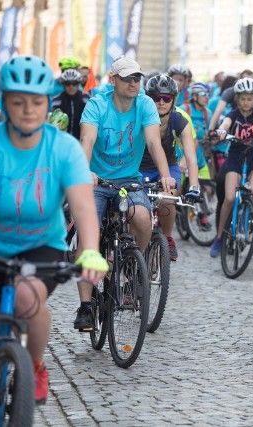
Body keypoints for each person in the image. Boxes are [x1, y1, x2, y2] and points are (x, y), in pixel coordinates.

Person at [0, 55, 107, 405]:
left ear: (48, 102)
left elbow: (84, 207)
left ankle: (34, 365)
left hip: (41, 247)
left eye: (37, 102)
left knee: (26, 298)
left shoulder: (63, 148)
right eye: (18, 101)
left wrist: (90, 251)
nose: (28, 109)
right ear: (4, 102)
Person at [75, 56, 175, 331]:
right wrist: (84, 172)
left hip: (129, 178)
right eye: (128, 78)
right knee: (88, 236)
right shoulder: (97, 104)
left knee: (143, 219)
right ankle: (85, 306)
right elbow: (87, 140)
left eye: (137, 78)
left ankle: (133, 268)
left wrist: (165, 174)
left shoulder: (144, 104)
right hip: (97, 179)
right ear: (113, 79)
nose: (134, 83)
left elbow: (154, 142)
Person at [209, 77, 253, 257]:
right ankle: (218, 238)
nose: (246, 102)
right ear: (237, 99)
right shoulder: (233, 114)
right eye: (243, 98)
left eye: (249, 98)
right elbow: (225, 124)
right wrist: (222, 131)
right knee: (230, 197)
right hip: (235, 157)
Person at [139, 75, 200, 261]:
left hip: (169, 167)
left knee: (167, 199)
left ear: (174, 99)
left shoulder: (180, 120)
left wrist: (194, 186)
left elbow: (191, 157)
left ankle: (167, 236)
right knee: (134, 207)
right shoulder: (139, 116)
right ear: (149, 98)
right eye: (156, 98)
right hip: (139, 168)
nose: (161, 102)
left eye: (166, 98)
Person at [51, 69, 91, 139]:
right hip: (62, 139)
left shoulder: (86, 98)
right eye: (68, 84)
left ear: (79, 84)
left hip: (81, 139)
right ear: (63, 84)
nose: (71, 86)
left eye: (74, 83)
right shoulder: (56, 99)